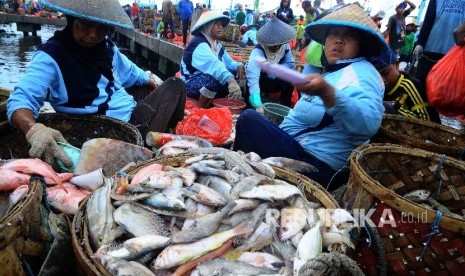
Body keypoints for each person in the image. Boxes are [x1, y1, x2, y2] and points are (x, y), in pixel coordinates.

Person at [6, 0, 187, 167]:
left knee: (146, 86)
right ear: (71, 20)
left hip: (126, 108)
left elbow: (131, 72)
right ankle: (150, 141)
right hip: (113, 128)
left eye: (101, 28)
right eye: (84, 25)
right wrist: (34, 130)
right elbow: (20, 100)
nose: (93, 34)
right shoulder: (52, 56)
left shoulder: (106, 46)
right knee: (176, 86)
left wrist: (151, 83)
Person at [234, 3, 388, 190]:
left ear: (361, 44)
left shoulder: (363, 74)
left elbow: (368, 124)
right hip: (297, 148)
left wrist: (327, 93)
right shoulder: (335, 71)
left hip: (316, 166)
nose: (338, 40)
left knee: (249, 120)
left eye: (349, 35)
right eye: (333, 34)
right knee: (255, 119)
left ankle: (241, 180)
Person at [180, 11, 245, 108]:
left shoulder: (216, 44)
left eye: (221, 25)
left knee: (237, 72)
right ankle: (202, 106)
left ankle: (222, 101)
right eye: (217, 24)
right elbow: (214, 65)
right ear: (208, 26)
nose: (221, 27)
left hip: (204, 79)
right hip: (190, 83)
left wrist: (239, 65)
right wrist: (230, 80)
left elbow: (229, 62)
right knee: (216, 78)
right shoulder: (199, 44)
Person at [373, 48, 440, 123]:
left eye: (385, 74)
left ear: (396, 65)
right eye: (377, 76)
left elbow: (427, 121)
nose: (382, 80)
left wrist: (389, 106)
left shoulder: (409, 85)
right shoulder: (378, 86)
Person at [245, 18, 296, 110]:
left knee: (291, 79)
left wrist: (274, 69)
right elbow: (253, 76)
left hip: (277, 79)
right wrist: (256, 101)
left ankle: (284, 106)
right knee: (250, 90)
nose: (277, 46)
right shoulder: (258, 51)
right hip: (262, 81)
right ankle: (250, 107)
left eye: (278, 44)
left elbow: (290, 64)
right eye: (273, 44)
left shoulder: (285, 47)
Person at [413, 0, 465, 86]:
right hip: (430, 50)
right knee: (421, 85)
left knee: (446, 90)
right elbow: (428, 19)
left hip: (455, 54)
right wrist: (420, 43)